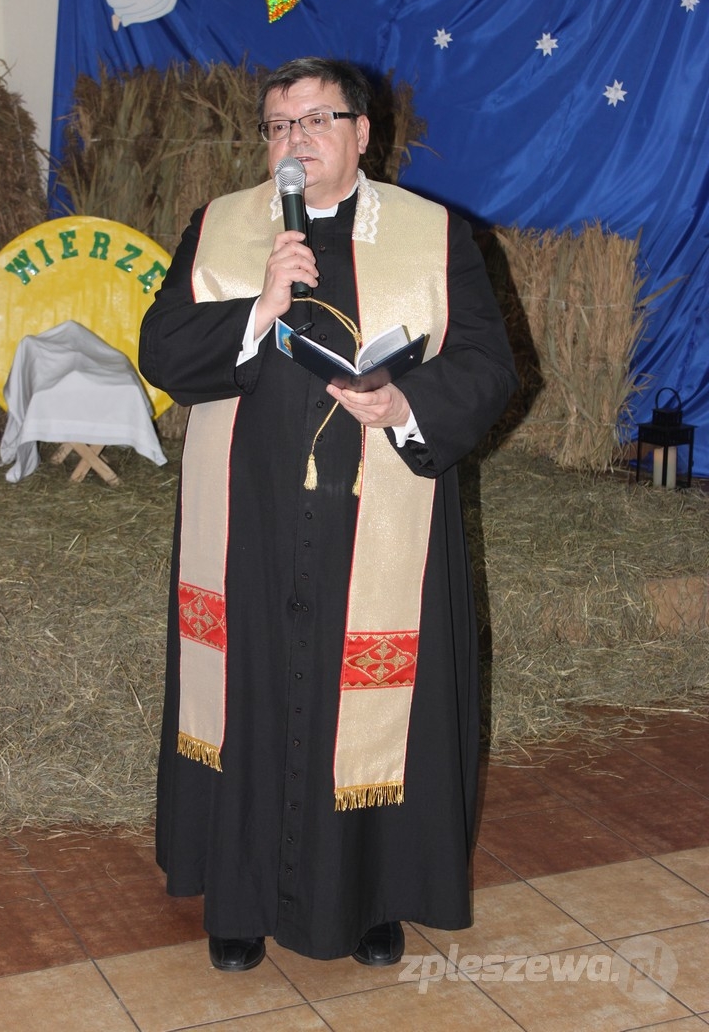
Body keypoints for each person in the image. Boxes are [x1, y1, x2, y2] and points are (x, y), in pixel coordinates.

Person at [139, 56, 518, 972]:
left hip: (379, 522)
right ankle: (237, 902)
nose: (295, 140)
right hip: (251, 521)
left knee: (373, 709)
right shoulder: (221, 227)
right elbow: (161, 349)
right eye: (279, 126)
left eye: (316, 120)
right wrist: (258, 305)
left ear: (362, 133)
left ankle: (372, 899)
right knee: (248, 697)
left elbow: (487, 364)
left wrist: (406, 403)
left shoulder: (433, 235)